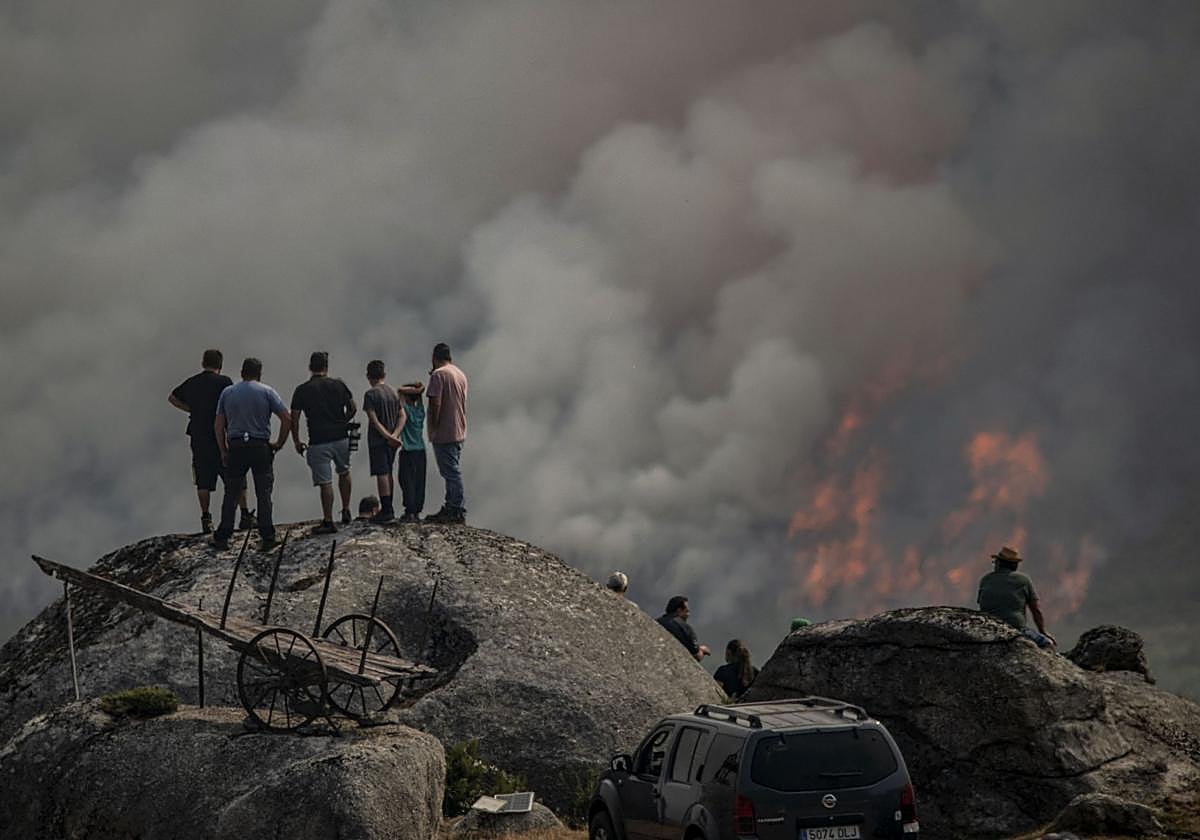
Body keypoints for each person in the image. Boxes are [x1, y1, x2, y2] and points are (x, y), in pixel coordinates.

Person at [211, 358, 291, 551]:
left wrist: (223, 450)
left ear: (241, 372)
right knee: (263, 492)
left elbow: (218, 425)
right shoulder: (267, 391)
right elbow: (286, 418)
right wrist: (278, 443)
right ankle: (267, 535)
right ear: (259, 372)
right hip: (260, 445)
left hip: (237, 446)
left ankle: (223, 535)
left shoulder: (228, 393)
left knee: (231, 492)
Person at [168, 349, 251, 533]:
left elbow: (172, 398)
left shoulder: (192, 382)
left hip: (198, 437)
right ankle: (245, 514)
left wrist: (191, 409)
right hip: (221, 435)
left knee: (203, 480)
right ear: (219, 365)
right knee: (236, 475)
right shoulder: (224, 382)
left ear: (203, 362)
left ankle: (206, 518)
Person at [290, 352, 357, 534]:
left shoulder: (302, 390)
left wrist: (296, 440)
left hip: (318, 440)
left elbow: (294, 418)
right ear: (326, 367)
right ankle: (346, 509)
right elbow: (353, 407)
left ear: (310, 367)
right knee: (344, 471)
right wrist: (343, 421)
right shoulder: (338, 385)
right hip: (341, 437)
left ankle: (328, 520)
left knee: (325, 482)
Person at [977, 546, 1057, 649]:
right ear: (1015, 565)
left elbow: (982, 604)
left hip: (988, 627)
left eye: (995, 561)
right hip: (1016, 629)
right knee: (1047, 644)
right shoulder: (1023, 580)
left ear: (999, 563)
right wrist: (1043, 632)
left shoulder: (985, 579)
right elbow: (1036, 610)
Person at [426, 343, 468, 524]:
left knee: (450, 472)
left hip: (445, 430)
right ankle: (452, 505)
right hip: (459, 429)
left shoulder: (438, 375)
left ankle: (455, 508)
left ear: (435, 358)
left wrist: (433, 427)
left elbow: (435, 403)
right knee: (452, 469)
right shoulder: (460, 374)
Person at [363, 360, 404, 523]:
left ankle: (386, 510)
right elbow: (403, 415)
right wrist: (395, 435)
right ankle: (390, 507)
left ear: (368, 376)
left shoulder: (371, 394)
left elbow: (373, 420)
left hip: (378, 440)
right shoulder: (393, 392)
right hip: (392, 441)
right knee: (389, 472)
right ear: (384, 375)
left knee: (381, 473)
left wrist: (387, 436)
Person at [397, 381, 427, 523]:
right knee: (419, 481)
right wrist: (417, 389)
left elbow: (399, 391)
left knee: (406, 481)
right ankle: (417, 510)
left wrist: (408, 387)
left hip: (408, 450)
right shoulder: (420, 411)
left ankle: (409, 511)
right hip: (421, 450)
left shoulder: (406, 411)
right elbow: (420, 389)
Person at [656, 596, 710, 662]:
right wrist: (702, 650)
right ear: (679, 610)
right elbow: (697, 656)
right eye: (686, 611)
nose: (688, 615)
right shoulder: (685, 627)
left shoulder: (657, 622)